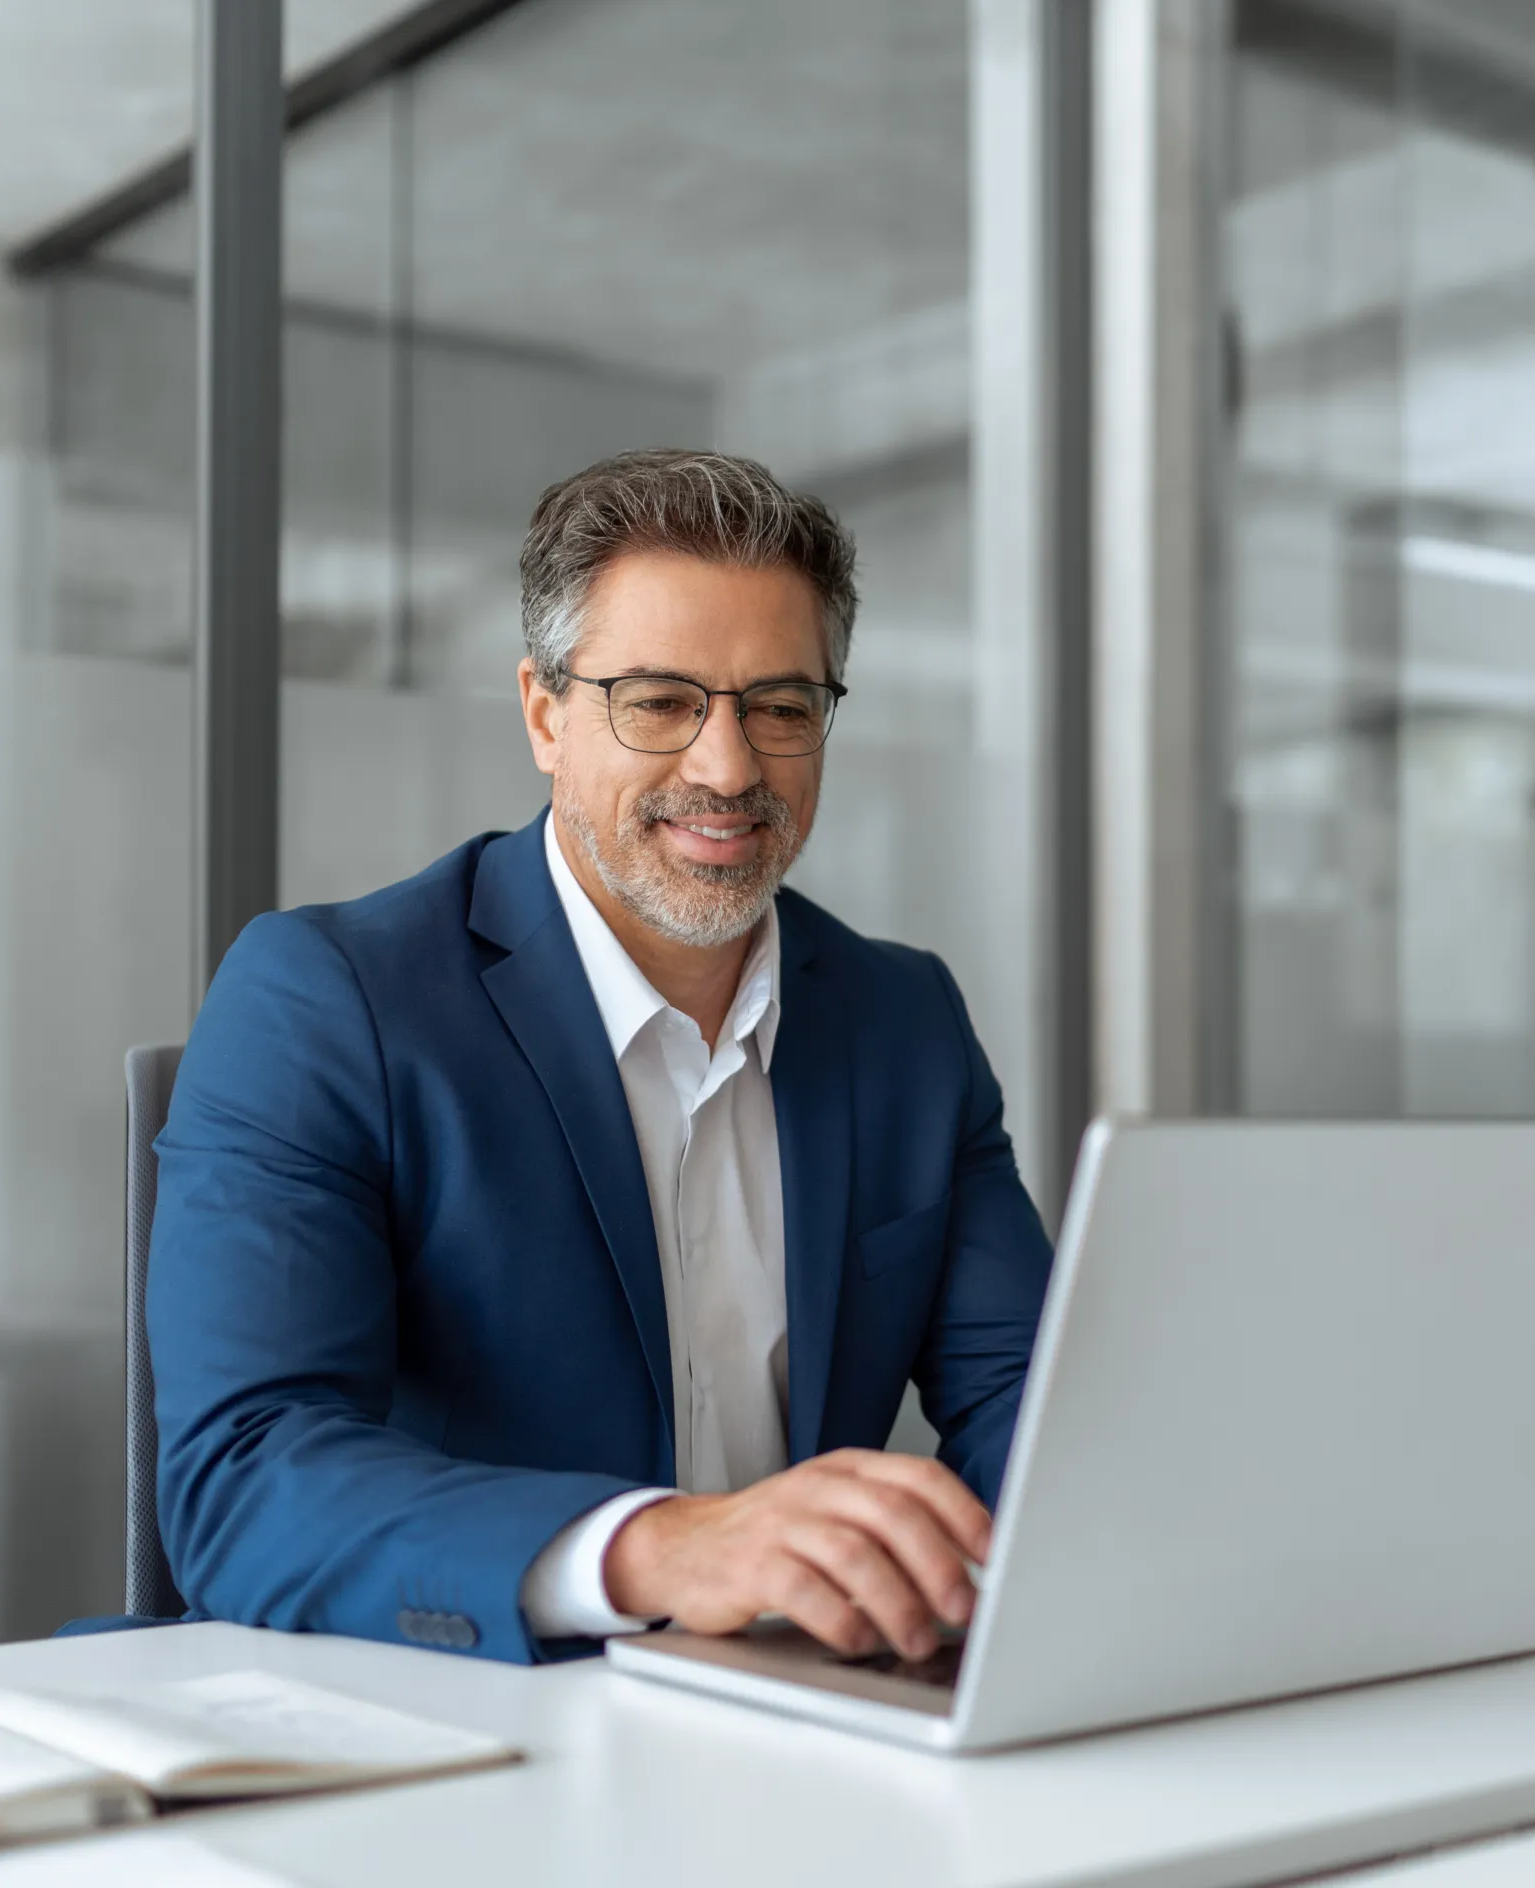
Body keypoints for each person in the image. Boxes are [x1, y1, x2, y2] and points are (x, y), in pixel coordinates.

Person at [148, 449, 1053, 1664]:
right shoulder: (325, 999)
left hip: (796, 1712)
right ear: (544, 713)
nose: (729, 768)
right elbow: (245, 1474)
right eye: (661, 700)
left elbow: (1034, 1416)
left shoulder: (908, 1022)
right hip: (455, 1719)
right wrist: (664, 1546)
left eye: (780, 706)